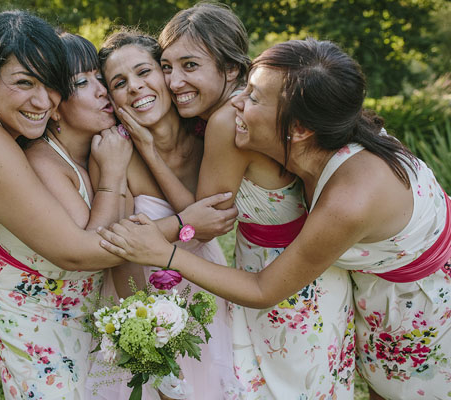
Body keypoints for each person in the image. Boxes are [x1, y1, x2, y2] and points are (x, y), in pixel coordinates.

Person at [0, 10, 234, 399]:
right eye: (23, 83)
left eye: (50, 84)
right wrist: (182, 222)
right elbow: (76, 250)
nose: (42, 100)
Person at [97, 38, 451, 400]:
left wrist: (165, 254)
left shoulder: (350, 199)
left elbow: (263, 290)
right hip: (370, 291)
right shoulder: (322, 134)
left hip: (421, 305)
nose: (235, 101)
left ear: (298, 129)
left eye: (251, 98)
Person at [158, 4, 355, 398]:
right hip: (309, 269)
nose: (174, 80)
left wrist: (148, 149)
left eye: (190, 65)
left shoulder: (228, 121)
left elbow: (207, 220)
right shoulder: (260, 105)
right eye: (166, 66)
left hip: (282, 275)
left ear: (232, 70)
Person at [0, 32, 133, 399]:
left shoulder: (98, 147)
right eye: (82, 83)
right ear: (55, 105)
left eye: (100, 78)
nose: (102, 90)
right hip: (27, 301)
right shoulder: (42, 160)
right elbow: (91, 251)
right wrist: (112, 176)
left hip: (77, 299)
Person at [86, 30, 239, 400]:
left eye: (144, 72)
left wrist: (151, 149)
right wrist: (147, 340)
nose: (135, 87)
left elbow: (212, 225)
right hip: (144, 296)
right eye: (120, 82)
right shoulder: (114, 151)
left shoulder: (209, 138)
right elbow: (120, 254)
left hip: (205, 284)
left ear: (167, 76)